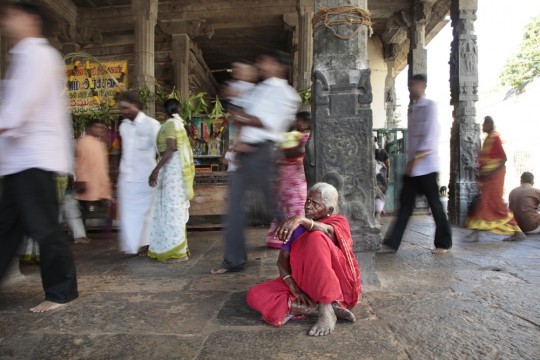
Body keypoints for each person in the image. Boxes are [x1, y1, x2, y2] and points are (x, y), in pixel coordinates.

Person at [0, 2, 78, 312]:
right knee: (6, 229)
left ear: (32, 20)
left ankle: (62, 293)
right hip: (18, 161)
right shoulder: (22, 56)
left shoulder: (38, 55)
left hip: (35, 159)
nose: (6, 22)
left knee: (44, 229)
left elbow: (20, 107)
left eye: (12, 15)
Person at [211, 50, 300, 274]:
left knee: (271, 207)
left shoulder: (287, 94)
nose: (262, 64)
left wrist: (240, 117)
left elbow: (263, 122)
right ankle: (233, 260)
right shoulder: (258, 90)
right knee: (234, 210)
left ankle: (303, 247)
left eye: (267, 61)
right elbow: (241, 117)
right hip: (246, 151)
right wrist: (238, 144)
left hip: (264, 153)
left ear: (280, 66)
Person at [247, 183, 361, 336]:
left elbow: (327, 231)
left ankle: (326, 307)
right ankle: (314, 308)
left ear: (329, 210)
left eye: (315, 203)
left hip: (334, 286)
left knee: (315, 237)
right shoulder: (296, 228)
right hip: (301, 283)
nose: (308, 206)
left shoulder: (337, 222)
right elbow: (282, 261)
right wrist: (293, 287)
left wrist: (301, 220)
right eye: (308, 200)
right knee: (255, 294)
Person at [378, 74, 452, 254]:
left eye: (415, 84)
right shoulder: (413, 108)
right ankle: (392, 242)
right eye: (410, 84)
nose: (412, 88)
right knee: (405, 206)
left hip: (426, 166)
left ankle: (443, 243)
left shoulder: (429, 107)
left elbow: (430, 136)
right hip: (413, 168)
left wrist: (415, 160)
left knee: (435, 205)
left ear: (423, 85)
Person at [147, 99, 195, 263]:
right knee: (173, 210)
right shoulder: (177, 123)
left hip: (172, 171)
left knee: (172, 211)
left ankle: (178, 253)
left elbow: (170, 148)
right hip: (175, 171)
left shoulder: (169, 124)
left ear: (164, 110)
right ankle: (177, 249)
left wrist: (155, 170)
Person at [464, 117, 525, 242]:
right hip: (488, 177)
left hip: (495, 176)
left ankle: (517, 231)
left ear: (490, 124)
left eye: (485, 124)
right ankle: (475, 231)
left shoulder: (495, 137)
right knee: (486, 203)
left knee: (493, 204)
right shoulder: (488, 138)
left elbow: (503, 158)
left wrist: (488, 172)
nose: (482, 126)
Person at [116, 91, 160, 255]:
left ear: (137, 105)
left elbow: (161, 151)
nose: (124, 111)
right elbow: (123, 151)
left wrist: (156, 172)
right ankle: (131, 247)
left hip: (146, 177)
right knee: (127, 214)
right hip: (126, 176)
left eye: (127, 108)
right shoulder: (123, 126)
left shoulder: (152, 124)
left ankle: (145, 244)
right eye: (121, 108)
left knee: (147, 213)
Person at [266, 111, 311, 248]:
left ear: (306, 123)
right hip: (287, 179)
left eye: (299, 121)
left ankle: (294, 235)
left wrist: (286, 150)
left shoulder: (306, 137)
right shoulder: (296, 136)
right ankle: (283, 236)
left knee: (294, 206)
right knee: (284, 205)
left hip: (296, 180)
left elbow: (299, 151)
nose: (297, 123)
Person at [74, 120, 112, 231]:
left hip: (101, 182)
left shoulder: (100, 143)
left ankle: (106, 234)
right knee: (84, 211)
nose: (100, 130)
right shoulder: (82, 142)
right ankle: (80, 234)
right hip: (87, 183)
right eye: (97, 127)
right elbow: (80, 162)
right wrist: (81, 179)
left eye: (102, 128)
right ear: (89, 128)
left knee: (103, 209)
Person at [374, 138, 389, 222]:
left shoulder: (381, 152)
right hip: (379, 179)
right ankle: (377, 217)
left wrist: (387, 176)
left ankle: (377, 217)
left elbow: (388, 164)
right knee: (379, 197)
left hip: (380, 179)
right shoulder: (381, 151)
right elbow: (388, 164)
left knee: (379, 196)